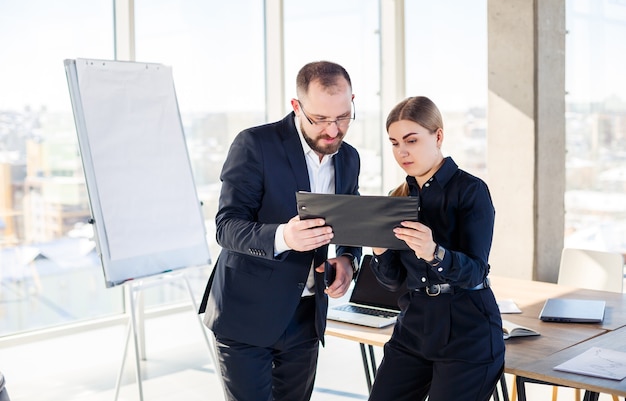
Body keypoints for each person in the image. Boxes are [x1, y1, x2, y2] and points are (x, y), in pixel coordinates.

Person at [199, 60, 362, 401]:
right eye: (320, 119)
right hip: (246, 314)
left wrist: (348, 259)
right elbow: (226, 226)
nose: (332, 130)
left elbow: (350, 219)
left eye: (343, 117)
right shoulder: (255, 145)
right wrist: (282, 237)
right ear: (296, 107)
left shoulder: (349, 158)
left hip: (305, 316)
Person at [367, 96, 505, 401]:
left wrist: (434, 252)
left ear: (438, 136)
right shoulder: (396, 197)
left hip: (467, 333)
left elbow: (475, 273)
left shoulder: (471, 191)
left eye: (411, 140)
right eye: (393, 143)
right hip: (413, 330)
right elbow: (393, 282)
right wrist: (379, 250)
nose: (401, 151)